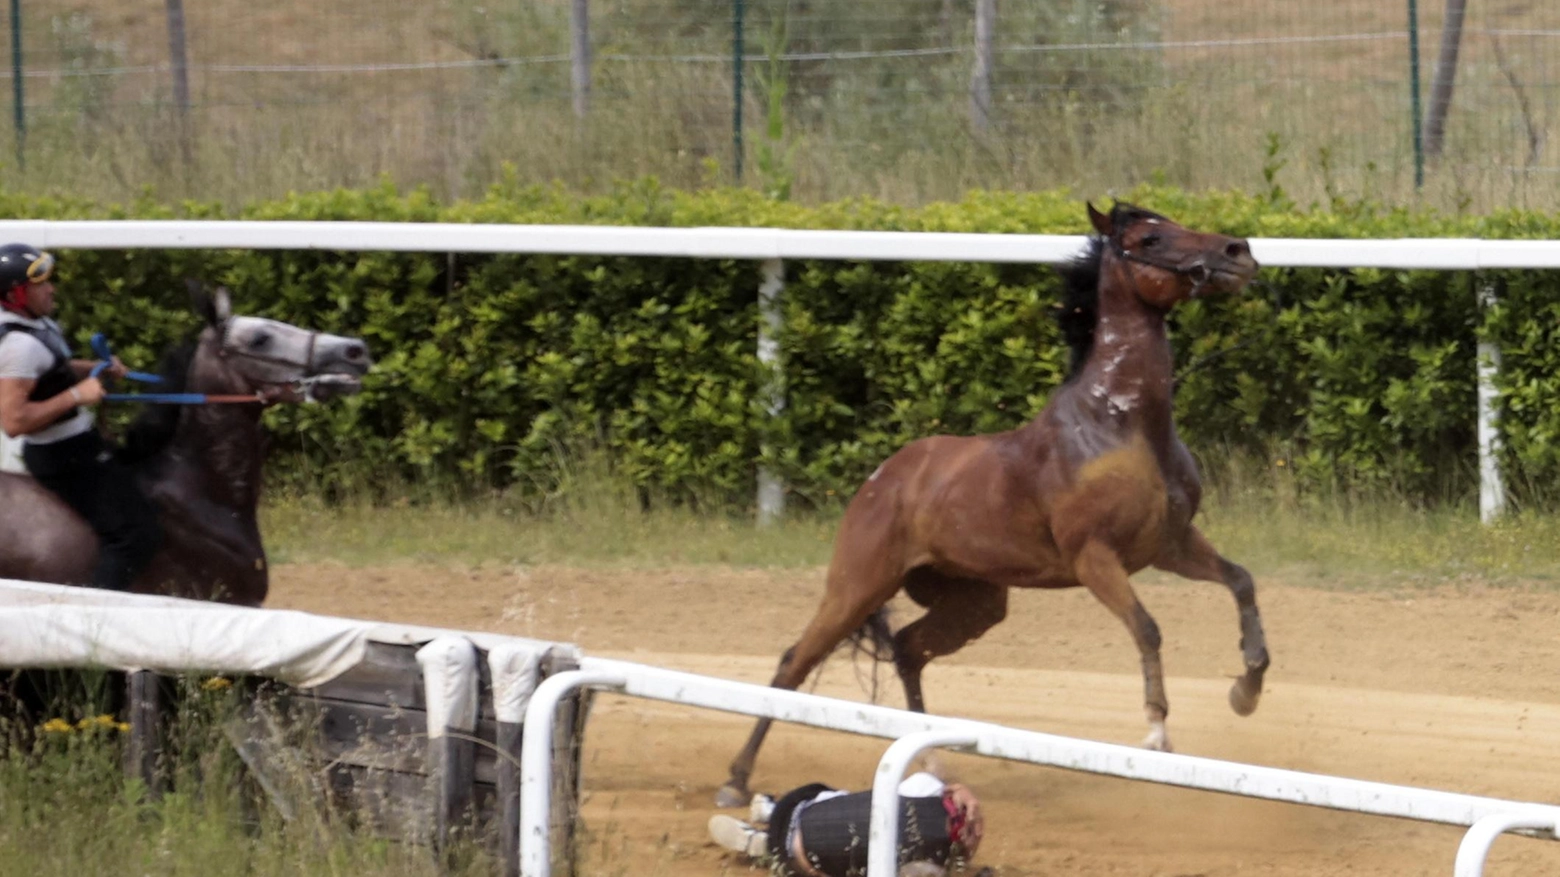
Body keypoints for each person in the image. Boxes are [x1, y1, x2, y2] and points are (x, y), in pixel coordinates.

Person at [0, 243, 161, 591]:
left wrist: (94, 370)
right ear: (15, 294)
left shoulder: (36, 324)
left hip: (77, 444)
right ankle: (98, 617)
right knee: (134, 535)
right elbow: (13, 422)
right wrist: (77, 394)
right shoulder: (18, 347)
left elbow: (53, 368)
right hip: (62, 457)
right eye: (41, 284)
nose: (51, 288)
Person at [709, 766, 986, 877]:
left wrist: (956, 787)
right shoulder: (930, 867)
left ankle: (770, 811)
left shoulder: (925, 787)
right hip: (802, 861)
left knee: (853, 805)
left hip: (801, 812)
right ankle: (764, 841)